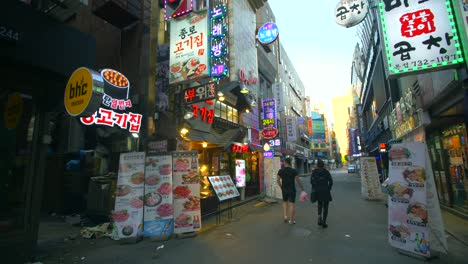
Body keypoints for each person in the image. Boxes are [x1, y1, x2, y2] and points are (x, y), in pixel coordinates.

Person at [277, 157, 305, 225]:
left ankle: (285, 217)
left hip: (284, 189)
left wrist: (281, 187)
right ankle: (291, 221)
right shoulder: (293, 171)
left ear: (285, 162)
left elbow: (278, 180)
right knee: (291, 204)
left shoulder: (281, 170)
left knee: (284, 202)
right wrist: (302, 189)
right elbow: (298, 180)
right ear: (290, 163)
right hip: (292, 189)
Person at [310, 158, 333, 228]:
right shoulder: (326, 172)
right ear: (323, 165)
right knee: (326, 207)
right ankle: (324, 222)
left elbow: (311, 182)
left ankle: (319, 217)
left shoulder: (314, 172)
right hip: (325, 191)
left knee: (319, 204)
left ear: (317, 165)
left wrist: (315, 187)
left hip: (318, 191)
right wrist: (328, 188)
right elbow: (331, 181)